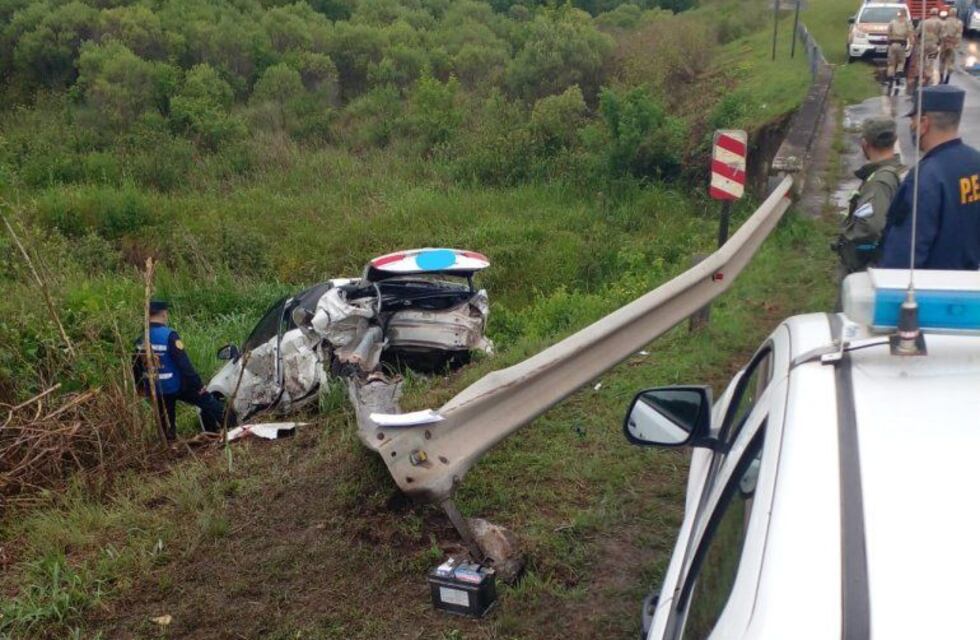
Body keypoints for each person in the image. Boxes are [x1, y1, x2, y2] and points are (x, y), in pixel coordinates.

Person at [879, 86, 980, 269]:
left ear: (924, 123)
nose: (912, 127)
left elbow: (904, 255)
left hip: (930, 291)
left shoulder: (925, 178)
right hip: (970, 287)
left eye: (913, 121)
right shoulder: (975, 162)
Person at [133, 300, 234, 440]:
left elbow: (136, 364)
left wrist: (140, 386)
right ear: (163, 314)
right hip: (176, 385)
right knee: (209, 402)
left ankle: (169, 442)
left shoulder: (140, 338)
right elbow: (184, 365)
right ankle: (233, 428)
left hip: (156, 388)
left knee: (166, 420)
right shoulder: (169, 335)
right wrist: (198, 385)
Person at [834, 118, 905, 278]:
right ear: (894, 141)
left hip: (868, 270)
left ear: (865, 144)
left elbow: (872, 227)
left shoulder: (880, 181)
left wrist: (848, 238)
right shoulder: (899, 171)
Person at [886, 11, 913, 96]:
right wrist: (912, 43)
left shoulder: (892, 22)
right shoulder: (907, 23)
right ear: (904, 15)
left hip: (892, 44)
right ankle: (898, 74)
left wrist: (889, 42)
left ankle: (890, 79)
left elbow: (888, 33)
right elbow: (910, 33)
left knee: (891, 64)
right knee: (901, 61)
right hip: (901, 44)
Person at [918, 8, 944, 86]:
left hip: (924, 45)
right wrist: (940, 43)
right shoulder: (941, 23)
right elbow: (943, 35)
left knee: (921, 60)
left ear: (930, 13)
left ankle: (922, 74)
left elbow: (917, 32)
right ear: (937, 13)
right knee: (931, 61)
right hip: (934, 46)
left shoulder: (924, 22)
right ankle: (928, 76)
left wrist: (918, 41)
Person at [939, 9, 964, 84]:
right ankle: (947, 79)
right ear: (956, 14)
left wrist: (944, 40)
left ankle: (941, 79)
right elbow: (959, 35)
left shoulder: (944, 22)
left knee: (942, 61)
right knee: (951, 62)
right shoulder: (959, 23)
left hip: (944, 44)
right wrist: (955, 43)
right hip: (953, 45)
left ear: (949, 14)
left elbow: (941, 34)